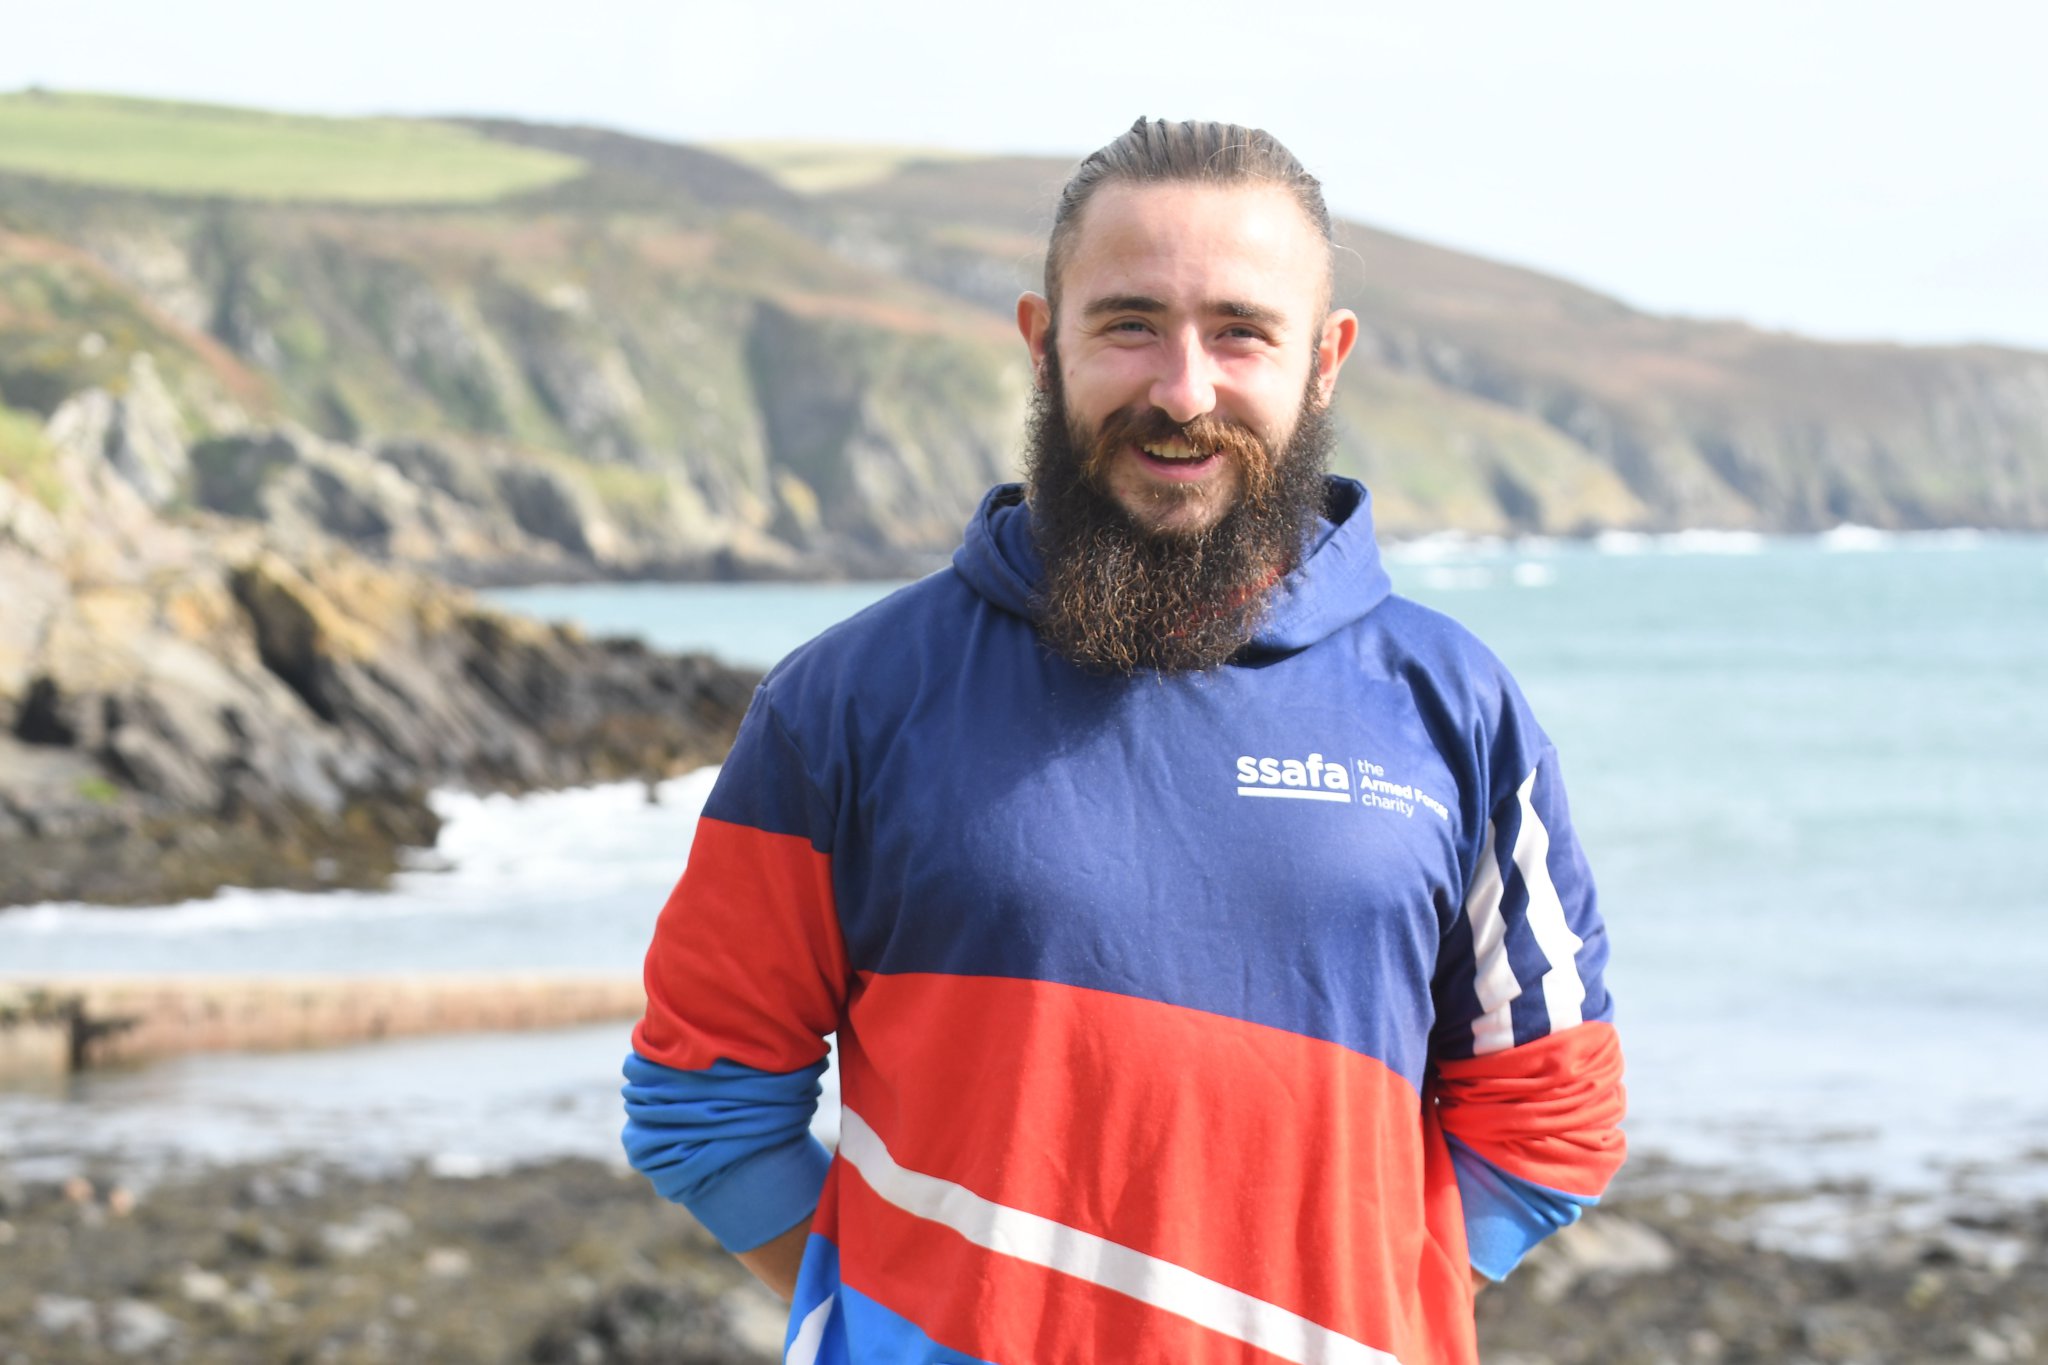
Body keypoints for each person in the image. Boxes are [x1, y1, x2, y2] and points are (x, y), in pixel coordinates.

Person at [623, 117, 1625, 1365]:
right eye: (1130, 322)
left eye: (1240, 332)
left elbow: (1551, 1110)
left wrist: (1382, 1305)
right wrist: (899, 1318)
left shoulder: (1452, 707)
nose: (1181, 390)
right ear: (1043, 344)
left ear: (1324, 361)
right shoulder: (848, 699)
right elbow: (700, 1102)